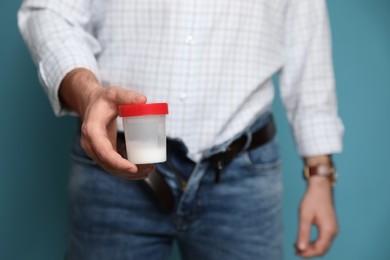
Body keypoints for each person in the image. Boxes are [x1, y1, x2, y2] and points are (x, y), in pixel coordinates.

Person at [18, 0, 344, 259]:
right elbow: (50, 11)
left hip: (243, 171)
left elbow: (308, 48)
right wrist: (88, 94)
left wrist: (320, 174)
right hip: (115, 167)